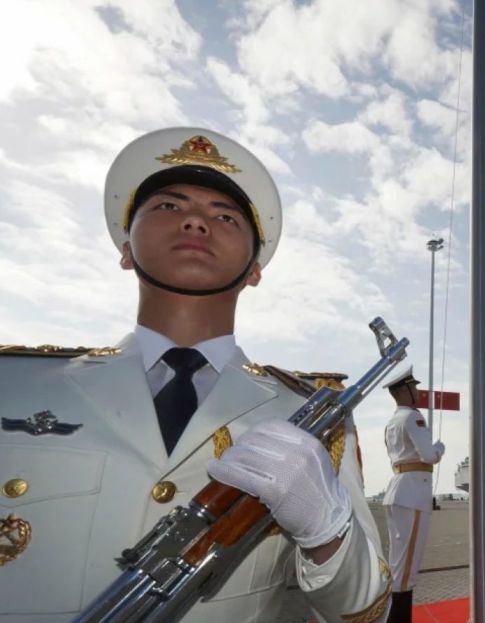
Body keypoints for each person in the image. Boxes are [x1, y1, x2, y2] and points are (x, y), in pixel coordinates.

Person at [0, 128, 390, 622]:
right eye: (168, 206)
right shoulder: (12, 384)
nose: (195, 221)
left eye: (224, 216)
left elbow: (363, 612)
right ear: (125, 249)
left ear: (253, 270)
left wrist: (328, 536)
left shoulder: (309, 414)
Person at [381, 364, 445, 623]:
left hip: (398, 490)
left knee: (397, 565)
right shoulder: (413, 418)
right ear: (405, 390)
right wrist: (440, 447)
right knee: (406, 569)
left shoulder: (392, 421)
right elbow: (428, 455)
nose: (417, 391)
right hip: (413, 494)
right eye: (414, 386)